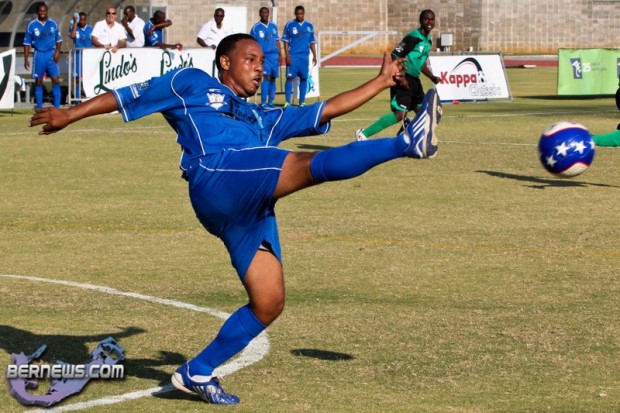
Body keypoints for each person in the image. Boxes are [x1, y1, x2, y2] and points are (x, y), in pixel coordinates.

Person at [29, 33, 441, 405]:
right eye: (251, 59)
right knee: (301, 164)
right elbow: (127, 96)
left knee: (269, 301)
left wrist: (381, 82)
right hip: (215, 175)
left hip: (248, 206)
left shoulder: (263, 119)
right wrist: (70, 114)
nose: (261, 67)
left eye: (263, 61)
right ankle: (406, 143)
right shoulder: (191, 82)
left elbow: (326, 108)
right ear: (225, 62)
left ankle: (197, 371)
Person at [355, 9, 441, 141]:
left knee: (423, 113)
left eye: (432, 19)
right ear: (420, 21)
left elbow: (421, 62)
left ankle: (407, 131)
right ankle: (363, 134)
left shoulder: (428, 40)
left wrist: (432, 77)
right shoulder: (413, 36)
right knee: (400, 114)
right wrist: (401, 76)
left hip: (415, 81)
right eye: (426, 19)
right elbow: (395, 54)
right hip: (403, 77)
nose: (429, 22)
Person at [23, 3, 62, 109]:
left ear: (47, 11)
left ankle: (57, 107)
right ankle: (39, 107)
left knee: (55, 79)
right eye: (40, 11)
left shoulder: (53, 23)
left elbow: (59, 40)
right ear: (37, 12)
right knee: (39, 81)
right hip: (39, 55)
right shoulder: (32, 25)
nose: (42, 13)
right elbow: (26, 44)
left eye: (44, 10)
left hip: (51, 54)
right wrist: (26, 59)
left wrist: (57, 52)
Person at [281, 5, 317, 107]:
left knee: (304, 79)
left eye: (301, 14)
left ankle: (302, 102)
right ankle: (287, 102)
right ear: (295, 14)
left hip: (304, 57)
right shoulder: (289, 25)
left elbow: (312, 42)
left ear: (304, 14)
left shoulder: (309, 26)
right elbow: (285, 42)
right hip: (293, 56)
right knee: (289, 78)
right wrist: (287, 56)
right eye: (297, 14)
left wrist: (314, 55)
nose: (299, 16)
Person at [250, 7, 282, 108]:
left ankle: (271, 102)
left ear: (268, 14)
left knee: (273, 78)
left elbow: (277, 41)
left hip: (274, 56)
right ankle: (263, 102)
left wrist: (280, 55)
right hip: (264, 57)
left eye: (266, 13)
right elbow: (252, 43)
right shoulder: (256, 28)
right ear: (260, 14)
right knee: (266, 77)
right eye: (263, 13)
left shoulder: (273, 26)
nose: (264, 14)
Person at [67, 12, 92, 104]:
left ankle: (89, 97)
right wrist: (75, 23)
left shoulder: (90, 29)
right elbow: (72, 36)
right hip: (78, 55)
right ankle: (77, 99)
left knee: (88, 78)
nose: (82, 22)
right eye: (80, 20)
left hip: (88, 56)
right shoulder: (74, 27)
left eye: (84, 20)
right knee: (77, 78)